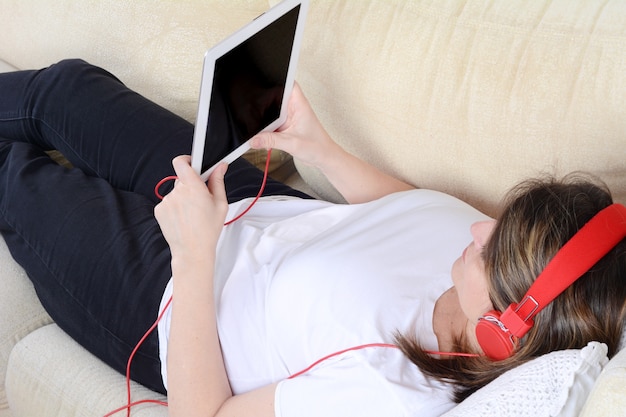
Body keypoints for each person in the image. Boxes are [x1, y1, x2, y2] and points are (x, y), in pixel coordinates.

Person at [0, 59, 624, 417]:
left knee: (14, 173)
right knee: (67, 89)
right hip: (249, 202)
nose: (479, 226)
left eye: (493, 248)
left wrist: (192, 261)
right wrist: (318, 148)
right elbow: (405, 209)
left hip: (169, 300)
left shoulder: (392, 392)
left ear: (504, 329)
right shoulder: (478, 260)